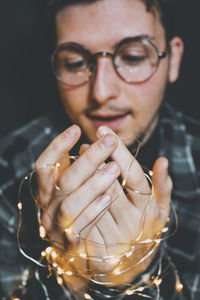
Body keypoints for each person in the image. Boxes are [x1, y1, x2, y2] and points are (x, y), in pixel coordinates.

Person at [0, 0, 200, 299]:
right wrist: (70, 272)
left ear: (173, 60)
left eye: (132, 57)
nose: (101, 92)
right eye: (75, 63)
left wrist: (137, 273)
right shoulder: (12, 164)